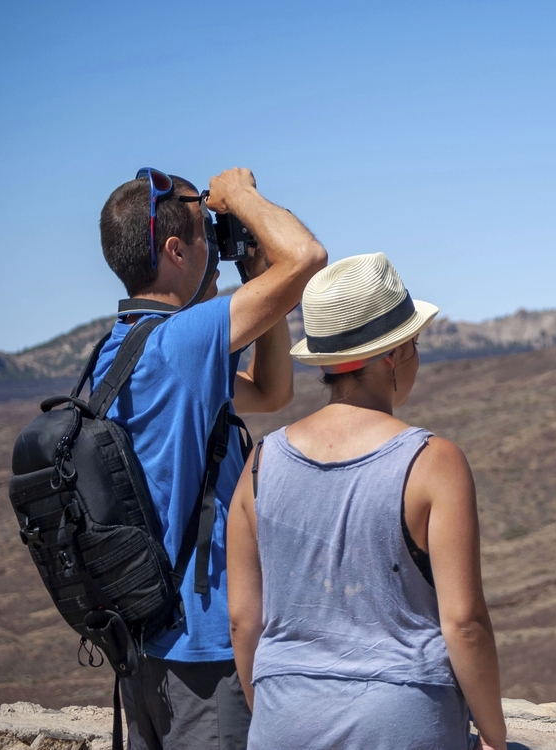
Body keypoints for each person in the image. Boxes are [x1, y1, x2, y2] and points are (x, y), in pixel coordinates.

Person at [226, 253, 508, 750]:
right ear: (392, 356)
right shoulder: (433, 462)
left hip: (282, 720)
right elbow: (464, 623)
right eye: (414, 344)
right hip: (402, 722)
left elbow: (244, 622)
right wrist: (494, 737)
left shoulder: (260, 464)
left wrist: (278, 714)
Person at [95, 167, 327, 749]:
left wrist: (259, 276)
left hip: (145, 646)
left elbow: (271, 393)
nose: (215, 256)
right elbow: (307, 257)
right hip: (201, 653)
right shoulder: (181, 342)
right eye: (206, 235)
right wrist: (243, 198)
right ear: (175, 250)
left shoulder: (119, 351)